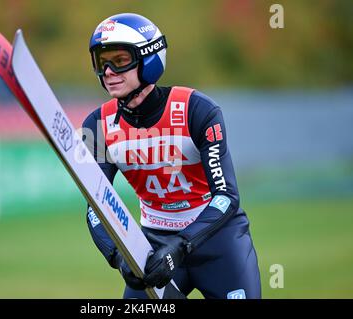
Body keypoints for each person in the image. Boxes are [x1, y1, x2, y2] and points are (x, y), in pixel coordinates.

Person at [82, 13, 261, 299]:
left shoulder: (197, 110)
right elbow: (95, 208)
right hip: (153, 243)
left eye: (119, 60)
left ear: (149, 59)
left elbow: (227, 196)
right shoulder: (98, 126)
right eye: (101, 61)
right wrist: (119, 256)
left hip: (218, 241)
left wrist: (181, 245)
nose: (108, 72)